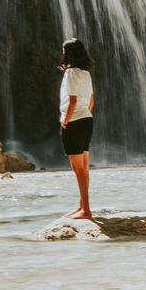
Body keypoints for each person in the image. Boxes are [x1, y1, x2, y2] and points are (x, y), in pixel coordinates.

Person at [59, 37, 95, 220]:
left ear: (69, 53)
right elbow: (91, 101)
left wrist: (66, 121)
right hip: (87, 120)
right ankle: (82, 206)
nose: (62, 54)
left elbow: (72, 101)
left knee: (78, 169)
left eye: (64, 51)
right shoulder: (85, 73)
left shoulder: (71, 73)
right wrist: (83, 115)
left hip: (73, 121)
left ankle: (86, 210)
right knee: (85, 167)